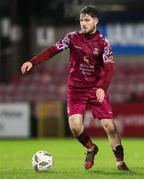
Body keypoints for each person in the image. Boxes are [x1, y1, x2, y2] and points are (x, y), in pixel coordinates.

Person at [21, 5, 129, 171]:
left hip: (95, 89)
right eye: (81, 20)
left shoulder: (104, 43)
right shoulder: (72, 37)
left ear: (96, 21)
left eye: (87, 20)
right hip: (76, 89)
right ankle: (91, 148)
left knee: (109, 125)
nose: (83, 23)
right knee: (75, 126)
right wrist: (32, 61)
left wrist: (102, 87)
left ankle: (120, 162)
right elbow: (52, 50)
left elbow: (109, 69)